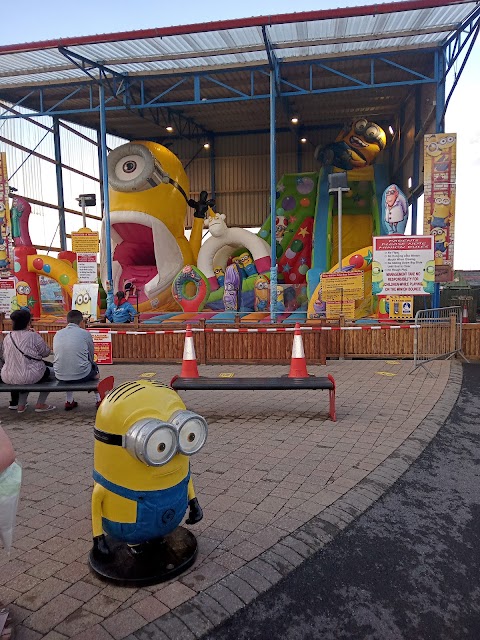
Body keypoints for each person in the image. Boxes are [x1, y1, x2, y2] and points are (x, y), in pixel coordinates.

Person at [0, 309, 55, 413]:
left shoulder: (8, 337)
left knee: (24, 375)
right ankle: (40, 403)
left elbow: (4, 356)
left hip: (8, 376)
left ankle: (21, 405)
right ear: (28, 322)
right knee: (50, 374)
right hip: (29, 375)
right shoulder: (33, 336)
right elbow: (46, 353)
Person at [53, 309, 101, 410]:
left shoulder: (57, 334)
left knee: (67, 363)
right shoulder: (85, 334)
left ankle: (69, 400)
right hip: (81, 374)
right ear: (81, 321)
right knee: (94, 367)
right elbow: (91, 356)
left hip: (60, 375)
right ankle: (98, 399)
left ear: (67, 321)